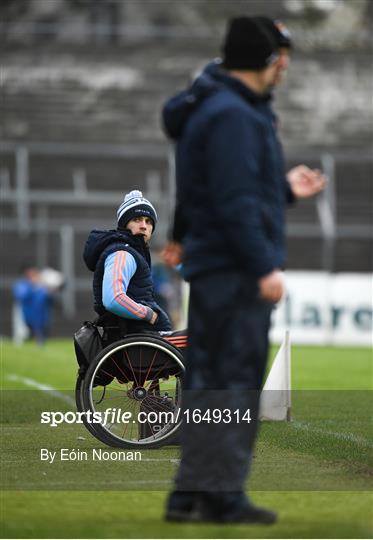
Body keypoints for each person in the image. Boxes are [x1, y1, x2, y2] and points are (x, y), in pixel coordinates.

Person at [161, 17, 325, 524]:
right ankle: (223, 493)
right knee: (234, 381)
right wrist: (263, 267)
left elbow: (210, 189)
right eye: (281, 55)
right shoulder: (236, 115)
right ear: (268, 59)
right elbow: (234, 201)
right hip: (235, 268)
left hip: (214, 264)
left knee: (209, 380)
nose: (286, 65)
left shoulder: (213, 107)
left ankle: (189, 492)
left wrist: (284, 191)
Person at [83, 189, 172, 335]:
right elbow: (114, 299)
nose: (144, 225)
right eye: (137, 219)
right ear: (125, 224)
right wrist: (149, 314)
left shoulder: (133, 252)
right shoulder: (122, 253)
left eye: (148, 221)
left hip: (144, 337)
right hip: (139, 337)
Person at [13, 266, 52, 345]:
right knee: (24, 333)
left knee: (39, 330)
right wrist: (32, 287)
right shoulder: (22, 285)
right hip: (26, 313)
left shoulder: (41, 286)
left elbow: (47, 299)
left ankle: (39, 342)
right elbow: (21, 296)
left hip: (40, 315)